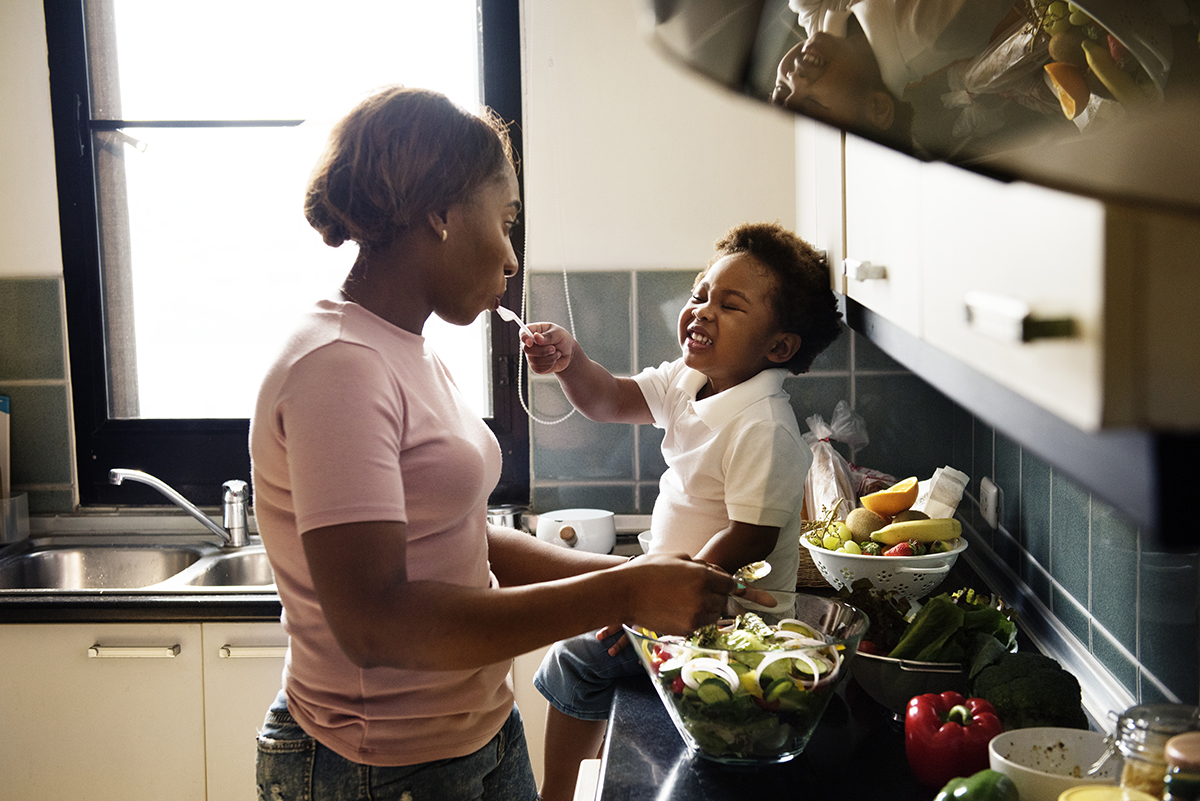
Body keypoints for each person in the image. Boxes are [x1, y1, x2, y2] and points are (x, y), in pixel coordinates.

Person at [248, 86, 748, 801]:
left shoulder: (406, 349)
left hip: (474, 732)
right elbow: (376, 622)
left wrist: (616, 580)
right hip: (376, 767)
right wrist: (623, 587)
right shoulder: (335, 365)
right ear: (441, 213)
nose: (511, 257)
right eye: (506, 219)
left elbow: (459, 540)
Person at [521, 221, 844, 801]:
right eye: (700, 294)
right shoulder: (690, 378)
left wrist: (651, 599)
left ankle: (555, 795)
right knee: (582, 643)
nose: (702, 311)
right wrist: (572, 362)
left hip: (726, 621)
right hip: (669, 593)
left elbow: (749, 538)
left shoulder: (763, 425)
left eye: (730, 304)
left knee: (573, 657)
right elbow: (610, 398)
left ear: (778, 348)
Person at [772, 0, 1016, 147]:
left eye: (781, 89)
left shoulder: (822, 25)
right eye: (812, 103)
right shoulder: (928, 28)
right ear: (878, 107)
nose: (794, 79)